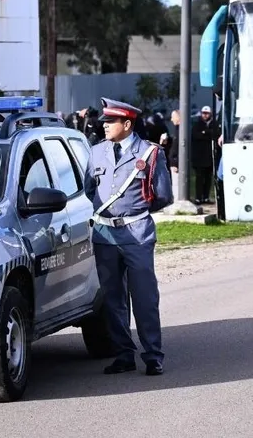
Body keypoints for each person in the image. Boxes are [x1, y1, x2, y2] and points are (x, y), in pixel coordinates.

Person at [84, 98, 174, 376]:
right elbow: (90, 189)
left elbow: (162, 196)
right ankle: (123, 354)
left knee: (144, 297)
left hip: (136, 234)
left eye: (110, 122)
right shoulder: (96, 152)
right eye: (104, 121)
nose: (105, 126)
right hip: (104, 235)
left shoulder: (150, 153)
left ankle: (153, 355)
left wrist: (133, 212)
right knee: (112, 298)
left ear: (127, 123)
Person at [189, 106, 221, 204]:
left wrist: (205, 133)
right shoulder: (197, 124)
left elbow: (215, 135)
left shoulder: (214, 124)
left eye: (207, 113)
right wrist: (206, 133)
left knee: (208, 178)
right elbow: (196, 135)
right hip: (199, 156)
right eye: (203, 113)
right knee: (199, 178)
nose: (205, 115)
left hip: (210, 156)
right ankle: (198, 197)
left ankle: (206, 197)